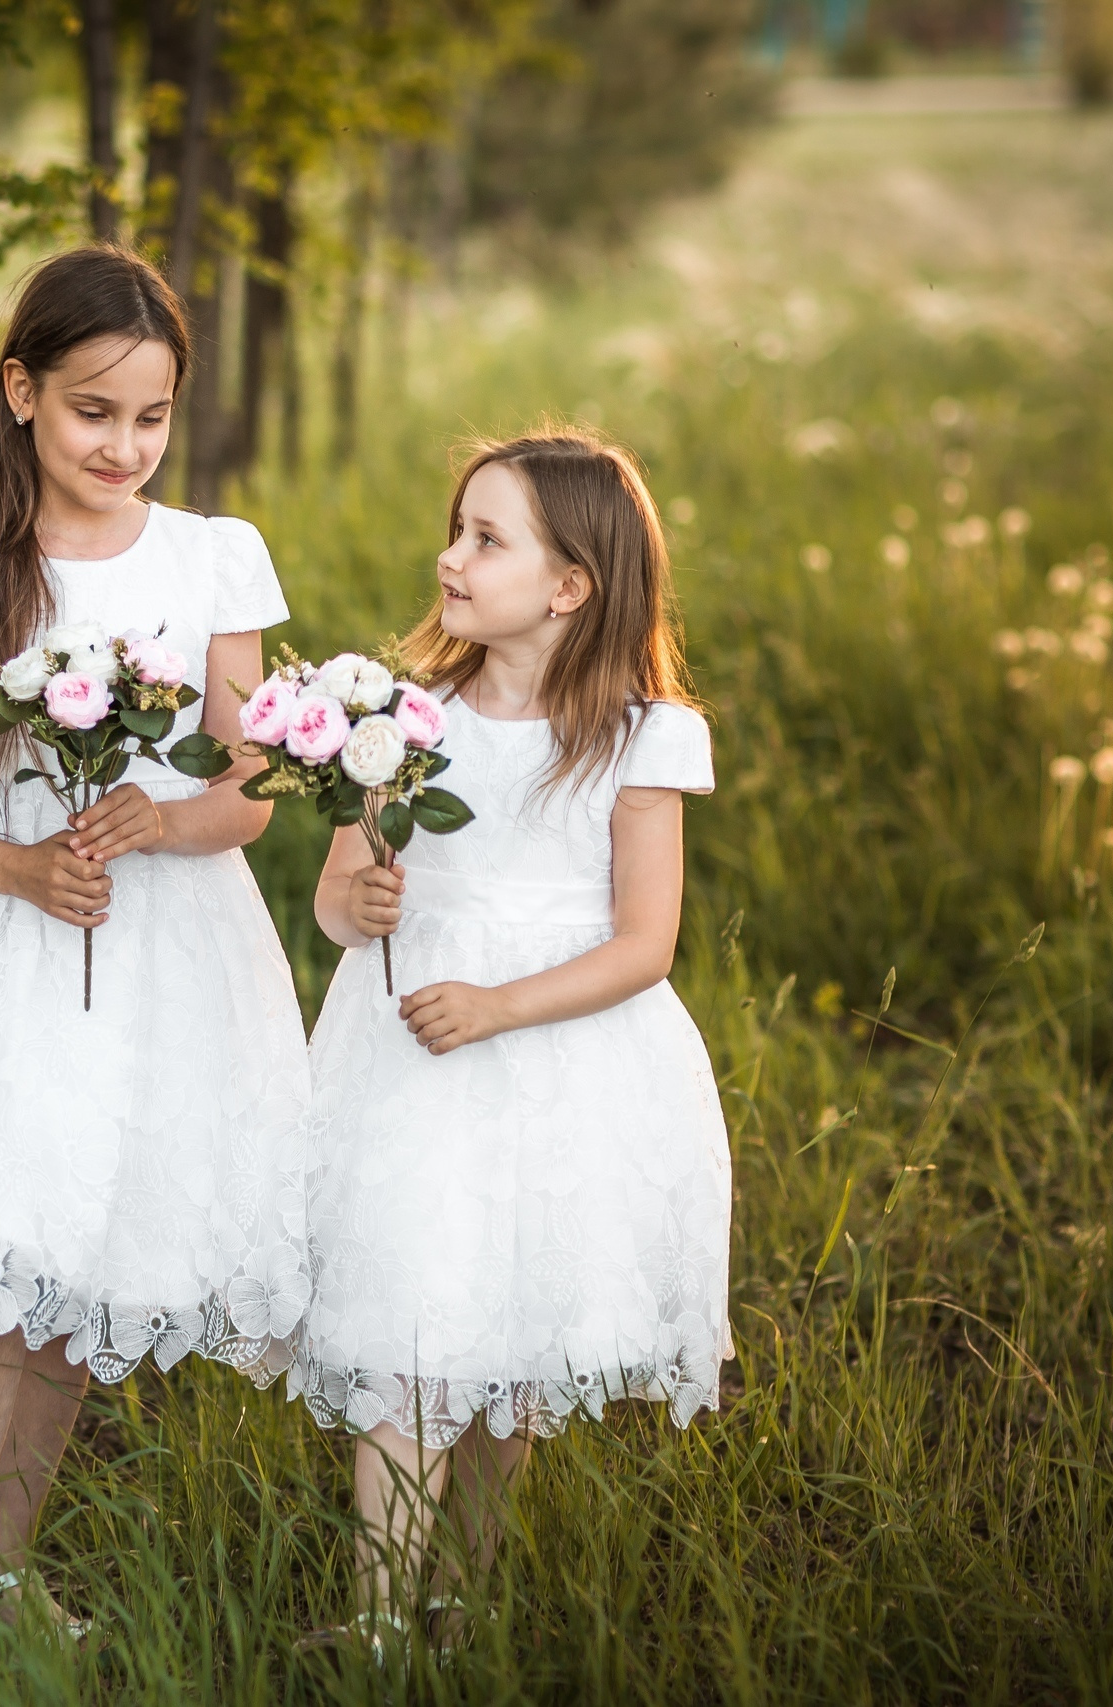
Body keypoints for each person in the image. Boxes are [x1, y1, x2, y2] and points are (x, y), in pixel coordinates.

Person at [0, 245, 311, 1668]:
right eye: (95, 410)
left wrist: (160, 816)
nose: (124, 446)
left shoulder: (213, 555)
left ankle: (10, 1561)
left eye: (151, 417)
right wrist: (23, 864)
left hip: (159, 943)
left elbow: (257, 788)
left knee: (90, 1233)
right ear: (22, 391)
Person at [294, 427, 731, 1657]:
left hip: (554, 1056)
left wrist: (496, 1004)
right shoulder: (399, 719)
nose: (450, 558)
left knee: (507, 1335)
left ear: (570, 584)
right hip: (411, 1060)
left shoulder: (639, 736)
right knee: (414, 1319)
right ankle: (378, 1615)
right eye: (456, 529)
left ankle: (460, 1601)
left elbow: (645, 944)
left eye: (486, 540)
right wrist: (359, 904)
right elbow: (339, 899)